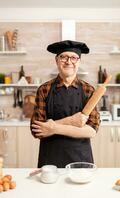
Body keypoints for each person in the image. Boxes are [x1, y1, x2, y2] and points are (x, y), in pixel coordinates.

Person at [30, 40, 100, 168]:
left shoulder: (88, 90)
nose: (69, 61)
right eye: (63, 57)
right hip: (51, 160)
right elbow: (37, 130)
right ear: (56, 60)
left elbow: (91, 130)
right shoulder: (44, 89)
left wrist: (53, 128)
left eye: (74, 58)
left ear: (79, 62)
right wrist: (71, 121)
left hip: (80, 159)